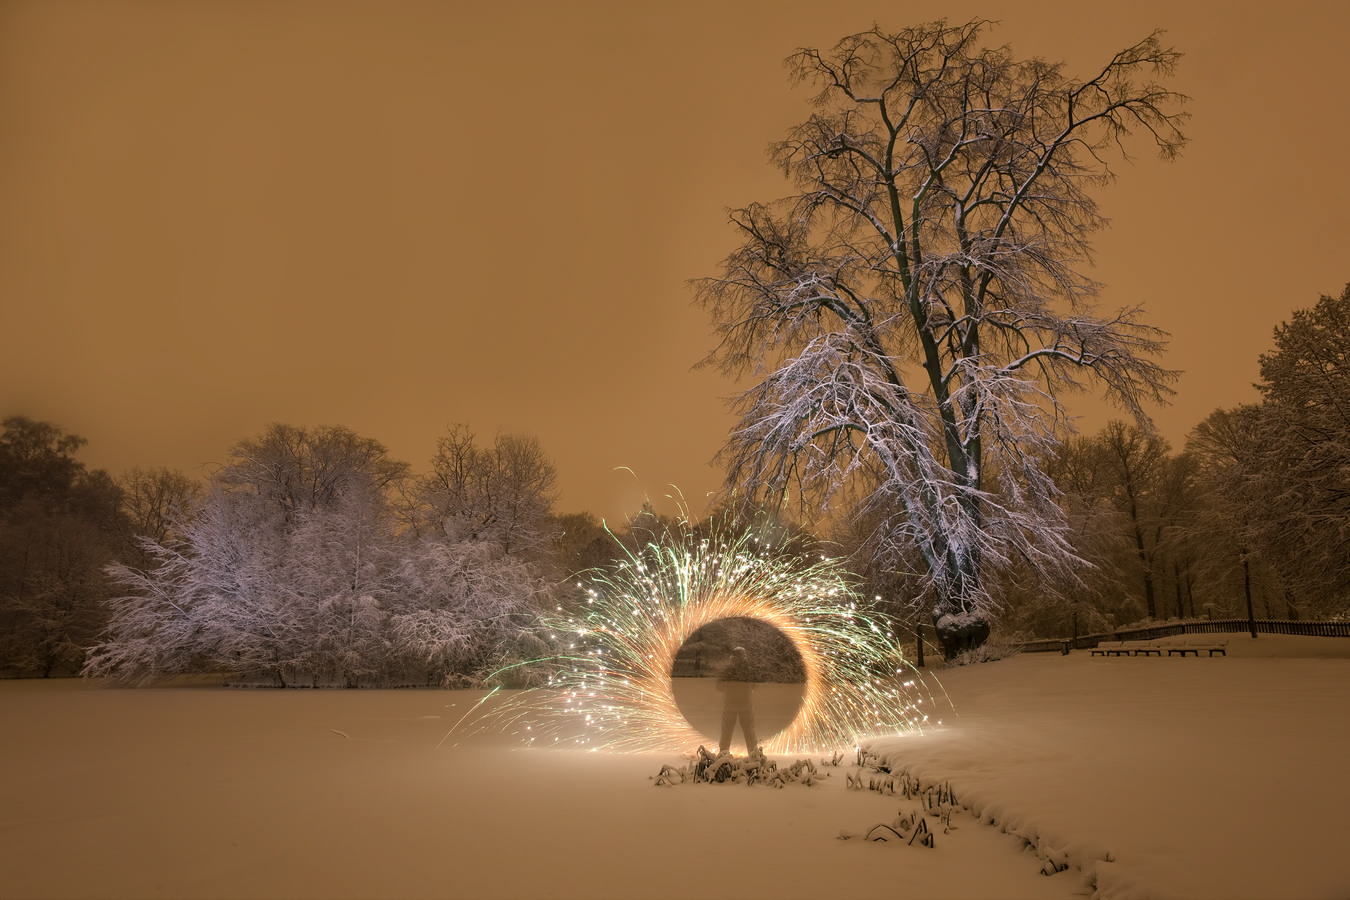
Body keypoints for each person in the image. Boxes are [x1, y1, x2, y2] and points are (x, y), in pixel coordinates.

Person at [715, 646, 758, 755]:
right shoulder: (749, 670)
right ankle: (753, 754)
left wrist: (729, 688)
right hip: (745, 705)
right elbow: (755, 686)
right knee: (749, 732)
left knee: (726, 732)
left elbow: (719, 687)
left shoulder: (727, 670)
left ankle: (723, 754)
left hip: (730, 705)